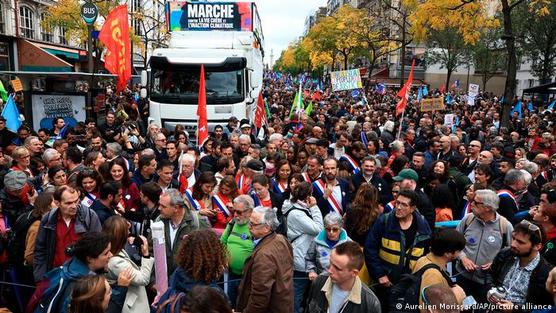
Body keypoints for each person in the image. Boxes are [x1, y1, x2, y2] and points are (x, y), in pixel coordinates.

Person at [364, 189, 432, 309]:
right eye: (397, 203)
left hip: (409, 285)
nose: (398, 207)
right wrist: (379, 274)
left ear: (412, 208)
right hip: (385, 284)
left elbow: (427, 254)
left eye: (404, 204)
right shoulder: (384, 221)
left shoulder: (422, 225)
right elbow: (370, 249)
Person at [32, 232, 131, 313]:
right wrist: (121, 289)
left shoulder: (72, 267)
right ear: (90, 259)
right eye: (106, 253)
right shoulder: (80, 287)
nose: (111, 255)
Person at [455, 189, 513, 304]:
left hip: (487, 283)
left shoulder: (505, 226)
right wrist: (463, 258)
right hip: (462, 277)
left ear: (487, 207)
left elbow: (512, 253)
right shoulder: (468, 219)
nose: (471, 204)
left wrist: (494, 263)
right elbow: (455, 243)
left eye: (476, 203)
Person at [33, 186, 102, 281]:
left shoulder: (89, 217)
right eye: (69, 203)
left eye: (76, 201)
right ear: (57, 203)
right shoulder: (48, 219)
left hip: (83, 279)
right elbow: (40, 251)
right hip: (56, 276)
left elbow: (98, 249)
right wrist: (41, 278)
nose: (74, 206)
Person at [236, 206, 294, 313]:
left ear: (267, 228)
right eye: (249, 222)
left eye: (253, 224)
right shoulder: (281, 239)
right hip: (283, 304)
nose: (249, 227)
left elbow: (260, 296)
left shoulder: (264, 255)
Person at [488, 220, 553, 310]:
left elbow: (545, 307)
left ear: (538, 246)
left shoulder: (546, 273)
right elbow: (490, 274)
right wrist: (491, 291)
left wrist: (515, 309)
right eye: (513, 238)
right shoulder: (505, 254)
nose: (513, 244)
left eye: (520, 242)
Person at [304, 241, 381, 313]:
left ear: (354, 273)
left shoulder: (370, 303)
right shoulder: (319, 282)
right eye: (331, 263)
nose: (329, 271)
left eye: (337, 268)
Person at [282, 181, 324, 313]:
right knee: (297, 295)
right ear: (308, 197)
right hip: (301, 261)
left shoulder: (300, 208)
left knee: (308, 295)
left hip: (306, 257)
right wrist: (315, 207)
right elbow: (318, 229)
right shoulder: (296, 213)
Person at [103, 216, 154, 313]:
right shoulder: (115, 263)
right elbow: (143, 279)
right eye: (127, 231)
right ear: (120, 237)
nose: (129, 233)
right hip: (132, 306)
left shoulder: (115, 250)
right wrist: (146, 255)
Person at [155, 189, 208, 278]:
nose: (159, 208)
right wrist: (154, 280)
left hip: (188, 283)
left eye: (163, 206)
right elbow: (152, 251)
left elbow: (206, 254)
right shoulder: (159, 222)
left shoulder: (197, 222)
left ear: (176, 208)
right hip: (164, 281)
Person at [412, 228, 466, 305]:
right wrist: (457, 299)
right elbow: (431, 309)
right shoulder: (432, 275)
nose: (459, 254)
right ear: (447, 253)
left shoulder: (423, 259)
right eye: (459, 251)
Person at [220, 195, 255, 307]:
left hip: (248, 278)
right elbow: (222, 242)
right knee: (230, 305)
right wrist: (223, 258)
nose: (235, 215)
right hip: (230, 274)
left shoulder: (255, 226)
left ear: (249, 211)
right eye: (234, 211)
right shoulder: (232, 223)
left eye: (239, 212)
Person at [306, 212, 351, 280]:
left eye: (335, 229)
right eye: (328, 229)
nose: (331, 232)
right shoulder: (317, 241)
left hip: (341, 282)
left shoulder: (349, 243)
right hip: (321, 281)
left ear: (341, 228)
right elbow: (309, 259)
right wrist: (311, 271)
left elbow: (354, 264)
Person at [531, 185, 556, 265]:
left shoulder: (553, 240)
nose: (539, 204)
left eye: (543, 201)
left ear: (546, 218)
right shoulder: (533, 227)